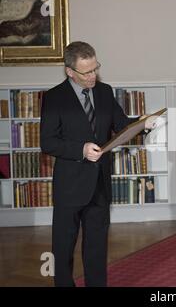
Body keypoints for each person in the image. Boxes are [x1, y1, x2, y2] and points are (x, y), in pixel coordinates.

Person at [40, 41, 153, 287]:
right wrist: (80, 149)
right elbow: (47, 142)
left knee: (96, 248)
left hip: (100, 184)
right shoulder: (54, 97)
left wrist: (142, 124)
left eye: (95, 69)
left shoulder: (104, 91)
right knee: (63, 248)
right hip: (70, 185)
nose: (93, 76)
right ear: (70, 71)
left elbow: (121, 125)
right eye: (86, 72)